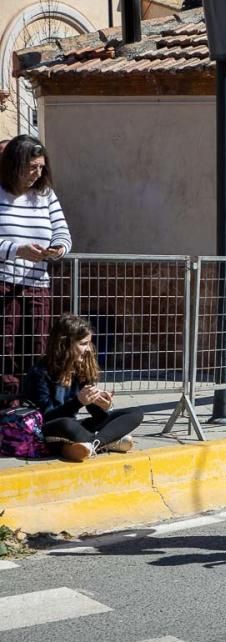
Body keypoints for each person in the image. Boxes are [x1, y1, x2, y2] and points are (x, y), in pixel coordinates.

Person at [1, 135, 71, 397]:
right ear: (15, 164)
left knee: (36, 345)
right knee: (5, 346)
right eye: (32, 167)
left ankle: (33, 405)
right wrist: (17, 250)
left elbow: (62, 232)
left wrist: (58, 249)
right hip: (4, 283)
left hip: (37, 284)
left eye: (41, 167)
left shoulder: (45, 195)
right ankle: (8, 407)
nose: (37, 173)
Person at [21, 313, 142, 462]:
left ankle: (94, 444)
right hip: (48, 429)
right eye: (83, 344)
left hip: (74, 428)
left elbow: (97, 417)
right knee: (67, 424)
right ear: (65, 344)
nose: (89, 350)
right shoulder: (41, 372)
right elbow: (46, 417)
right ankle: (108, 441)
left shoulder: (79, 368)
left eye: (89, 343)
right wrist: (78, 402)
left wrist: (104, 406)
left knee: (135, 413)